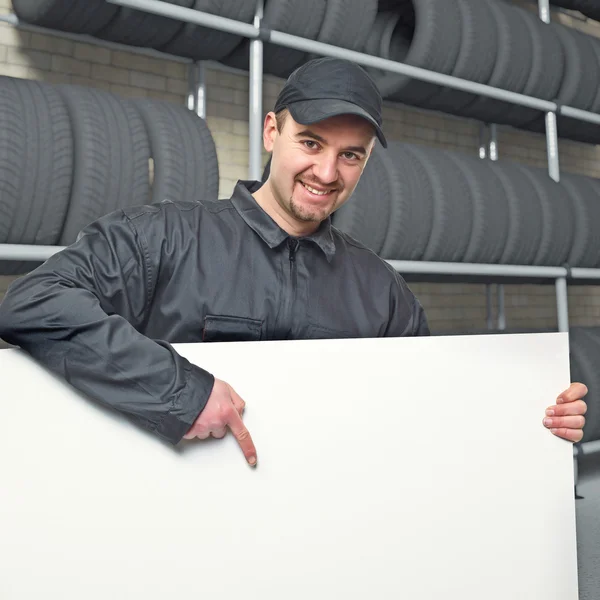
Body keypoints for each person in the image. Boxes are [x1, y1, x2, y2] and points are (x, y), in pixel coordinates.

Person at [0, 57, 587, 466]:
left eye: (350, 156)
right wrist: (180, 390)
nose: (327, 174)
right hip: (168, 534)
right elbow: (32, 303)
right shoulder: (162, 238)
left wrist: (530, 417)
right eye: (311, 143)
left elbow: (425, 412)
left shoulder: (382, 293)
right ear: (271, 132)